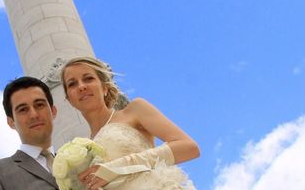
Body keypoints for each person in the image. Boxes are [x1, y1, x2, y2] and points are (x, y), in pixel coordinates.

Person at [61, 56, 200, 190]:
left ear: (105, 88)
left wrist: (118, 167)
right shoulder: (83, 152)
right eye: (72, 84)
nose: (81, 87)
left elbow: (189, 147)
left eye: (88, 78)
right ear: (69, 99)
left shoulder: (135, 110)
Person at [0, 76, 59, 189]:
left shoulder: (82, 159)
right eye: (23, 109)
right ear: (11, 122)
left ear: (53, 111)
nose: (34, 115)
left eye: (39, 105)